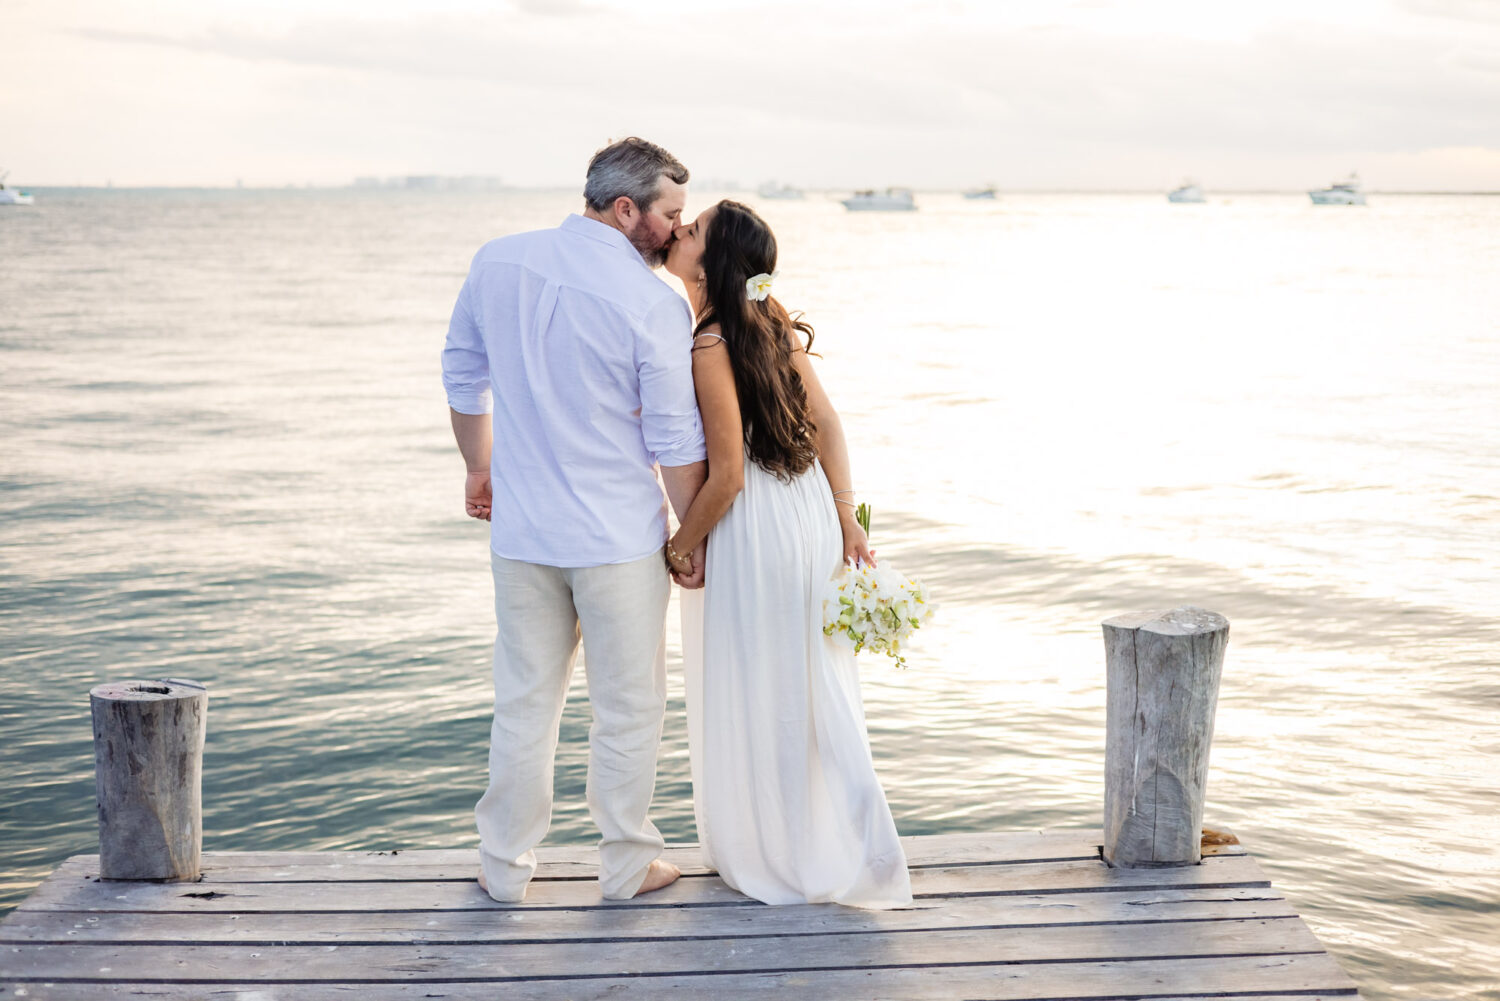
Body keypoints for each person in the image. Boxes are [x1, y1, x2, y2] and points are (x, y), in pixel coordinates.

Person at [441, 137, 708, 903]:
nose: (676, 230)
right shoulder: (653, 300)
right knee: (628, 708)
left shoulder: (498, 260)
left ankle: (503, 869)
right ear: (627, 210)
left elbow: (462, 370)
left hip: (523, 533)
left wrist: (477, 464)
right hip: (616, 540)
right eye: (670, 214)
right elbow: (673, 438)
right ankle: (626, 867)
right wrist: (690, 538)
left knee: (525, 700)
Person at [663, 200, 913, 908]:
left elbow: (730, 472)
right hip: (805, 511)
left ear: (714, 262)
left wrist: (678, 547)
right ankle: (845, 840)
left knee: (762, 684)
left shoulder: (710, 340)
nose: (680, 232)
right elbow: (828, 421)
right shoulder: (771, 317)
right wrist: (844, 519)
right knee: (812, 682)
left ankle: (780, 847)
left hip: (757, 525)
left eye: (695, 229)